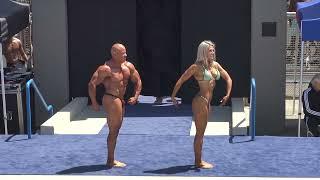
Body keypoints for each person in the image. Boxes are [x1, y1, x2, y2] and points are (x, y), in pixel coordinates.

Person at [171, 40, 232, 169]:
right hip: (200, 101)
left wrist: (227, 94)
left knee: (202, 133)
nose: (213, 52)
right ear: (203, 51)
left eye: (213, 50)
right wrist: (173, 96)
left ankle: (198, 160)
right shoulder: (196, 67)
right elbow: (181, 79)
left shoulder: (215, 65)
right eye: (210, 50)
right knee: (200, 133)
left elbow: (228, 78)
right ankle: (198, 162)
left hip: (207, 102)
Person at [88, 43, 142, 168]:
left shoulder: (128, 66)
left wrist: (136, 96)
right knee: (113, 130)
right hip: (111, 98)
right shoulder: (105, 69)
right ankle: (110, 160)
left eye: (126, 52)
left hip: (121, 100)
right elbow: (92, 84)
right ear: (114, 54)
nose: (126, 55)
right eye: (123, 53)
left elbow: (138, 80)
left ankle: (111, 159)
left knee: (116, 129)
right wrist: (94, 102)